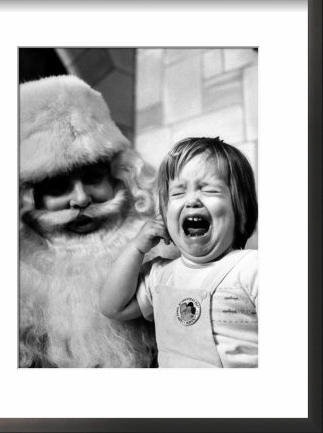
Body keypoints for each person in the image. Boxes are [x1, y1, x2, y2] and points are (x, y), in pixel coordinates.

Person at [19, 74, 175, 368]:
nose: (80, 200)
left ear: (121, 178)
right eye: (56, 186)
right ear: (32, 198)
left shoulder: (166, 259)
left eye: (93, 178)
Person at [100, 137, 258, 368]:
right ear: (164, 215)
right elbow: (112, 307)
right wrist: (136, 248)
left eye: (210, 190)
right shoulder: (160, 276)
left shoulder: (251, 267)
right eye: (177, 193)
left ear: (240, 208)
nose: (192, 200)